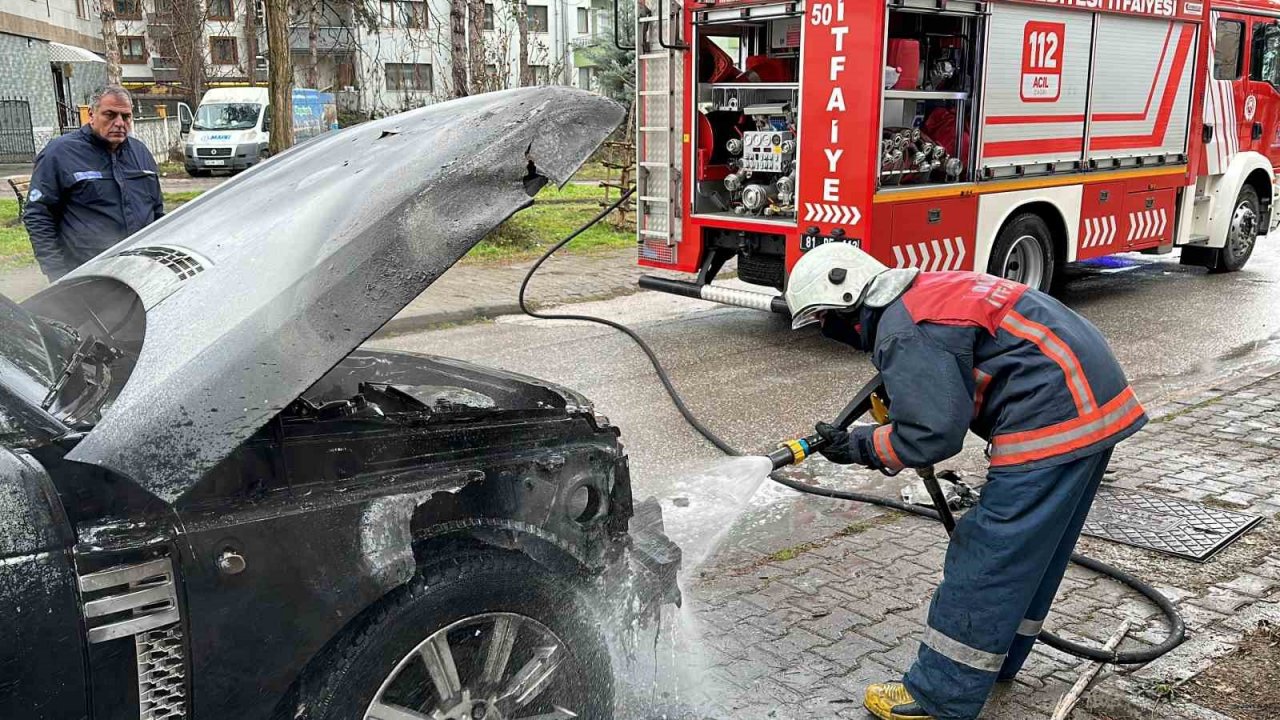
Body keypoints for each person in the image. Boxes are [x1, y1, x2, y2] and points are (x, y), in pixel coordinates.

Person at [783, 243, 1146, 720]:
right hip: (1096, 405)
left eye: (826, 321)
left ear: (849, 304)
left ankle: (940, 697)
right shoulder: (924, 293)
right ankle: (997, 660)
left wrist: (860, 447)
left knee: (988, 554)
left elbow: (932, 435)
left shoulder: (903, 328)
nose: (829, 334)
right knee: (1032, 553)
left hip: (1054, 419)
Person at [23, 85, 164, 281]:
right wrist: (57, 273)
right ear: (91, 114)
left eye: (126, 116)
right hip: (87, 276)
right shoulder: (60, 153)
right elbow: (38, 215)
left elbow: (157, 211)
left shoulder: (141, 153)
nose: (119, 123)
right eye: (110, 115)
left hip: (140, 272)